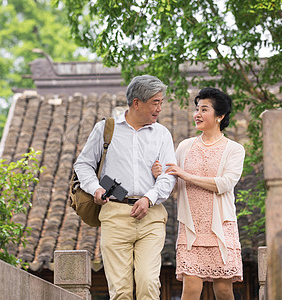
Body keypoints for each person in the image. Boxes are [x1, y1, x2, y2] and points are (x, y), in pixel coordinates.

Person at [74, 75, 177, 299]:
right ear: (137, 102)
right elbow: (83, 165)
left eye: (161, 102)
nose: (160, 108)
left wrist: (149, 198)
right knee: (120, 291)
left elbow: (169, 176)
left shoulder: (162, 134)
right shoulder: (105, 129)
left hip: (151, 215)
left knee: (148, 284)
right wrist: (96, 189)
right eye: (155, 102)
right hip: (115, 215)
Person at [153, 87, 244, 300]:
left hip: (221, 227)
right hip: (191, 228)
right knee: (190, 291)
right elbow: (173, 185)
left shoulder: (234, 149)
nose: (197, 114)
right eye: (197, 109)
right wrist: (160, 175)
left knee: (223, 292)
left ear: (220, 116)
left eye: (204, 109)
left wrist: (185, 175)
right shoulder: (185, 147)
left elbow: (225, 183)